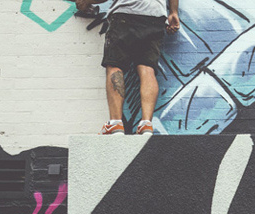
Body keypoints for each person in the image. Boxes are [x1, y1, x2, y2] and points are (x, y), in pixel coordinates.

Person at [76, 0, 180, 135]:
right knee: (147, 69)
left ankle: (115, 123)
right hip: (155, 17)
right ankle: (146, 124)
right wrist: (173, 12)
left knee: (115, 66)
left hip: (125, 15)